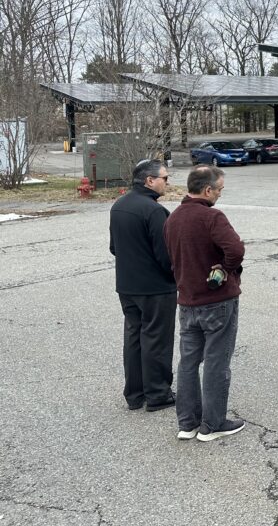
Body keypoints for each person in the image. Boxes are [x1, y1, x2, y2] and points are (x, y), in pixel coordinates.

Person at [164, 165, 246, 442]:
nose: (221, 194)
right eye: (220, 189)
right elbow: (236, 249)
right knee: (216, 361)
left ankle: (187, 423)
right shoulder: (212, 217)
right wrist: (226, 268)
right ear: (208, 189)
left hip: (187, 300)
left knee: (188, 361)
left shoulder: (173, 218)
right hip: (217, 300)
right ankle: (213, 423)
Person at [109, 159, 176, 412]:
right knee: (156, 339)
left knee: (134, 338)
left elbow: (114, 247)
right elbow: (165, 255)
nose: (167, 183)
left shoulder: (120, 205)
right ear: (149, 180)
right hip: (155, 288)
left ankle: (135, 394)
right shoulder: (153, 210)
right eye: (164, 178)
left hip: (127, 287)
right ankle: (158, 394)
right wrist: (175, 277)